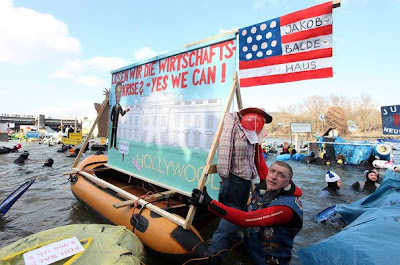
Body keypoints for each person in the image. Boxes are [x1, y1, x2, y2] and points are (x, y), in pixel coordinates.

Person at [189, 161, 303, 265]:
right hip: (250, 247)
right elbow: (260, 163)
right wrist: (255, 141)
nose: (273, 177)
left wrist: (209, 204)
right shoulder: (266, 184)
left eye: (281, 175)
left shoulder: (285, 209)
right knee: (226, 237)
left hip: (266, 261)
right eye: (272, 171)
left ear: (288, 182)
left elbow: (246, 219)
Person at [206, 107, 272, 265]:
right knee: (231, 217)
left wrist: (263, 177)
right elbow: (224, 154)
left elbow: (255, 157)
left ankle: (231, 239)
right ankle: (214, 255)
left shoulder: (251, 131)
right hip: (234, 179)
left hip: (244, 179)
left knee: (237, 212)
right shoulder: (233, 125)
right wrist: (225, 177)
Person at [109, 82, 130, 150]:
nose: (118, 94)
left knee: (115, 135)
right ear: (115, 92)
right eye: (117, 92)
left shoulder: (120, 107)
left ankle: (115, 145)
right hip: (113, 124)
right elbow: (111, 115)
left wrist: (126, 111)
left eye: (120, 92)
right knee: (112, 135)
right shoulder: (113, 106)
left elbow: (122, 114)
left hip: (116, 124)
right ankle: (111, 145)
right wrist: (112, 120)